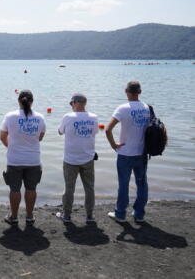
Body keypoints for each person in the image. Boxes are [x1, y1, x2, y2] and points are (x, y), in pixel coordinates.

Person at [106, 81, 150, 223]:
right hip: (142, 153)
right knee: (142, 184)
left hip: (125, 153)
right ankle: (139, 215)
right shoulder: (146, 108)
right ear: (140, 92)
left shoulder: (123, 108)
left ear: (126, 91)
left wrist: (114, 145)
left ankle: (120, 214)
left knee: (123, 184)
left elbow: (107, 129)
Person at [0, 90, 45, 226]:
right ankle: (29, 216)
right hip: (33, 160)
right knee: (31, 188)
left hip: (15, 160)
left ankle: (14, 217)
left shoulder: (10, 116)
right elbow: (40, 137)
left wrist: (12, 147)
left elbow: (2, 137)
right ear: (32, 101)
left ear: (18, 101)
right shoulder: (40, 117)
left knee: (14, 189)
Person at [56, 94, 98, 223]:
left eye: (71, 103)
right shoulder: (94, 117)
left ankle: (67, 215)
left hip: (71, 160)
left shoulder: (68, 117)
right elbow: (94, 133)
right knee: (89, 187)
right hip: (88, 158)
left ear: (74, 103)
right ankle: (89, 216)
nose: (71, 106)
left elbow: (60, 131)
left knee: (69, 188)